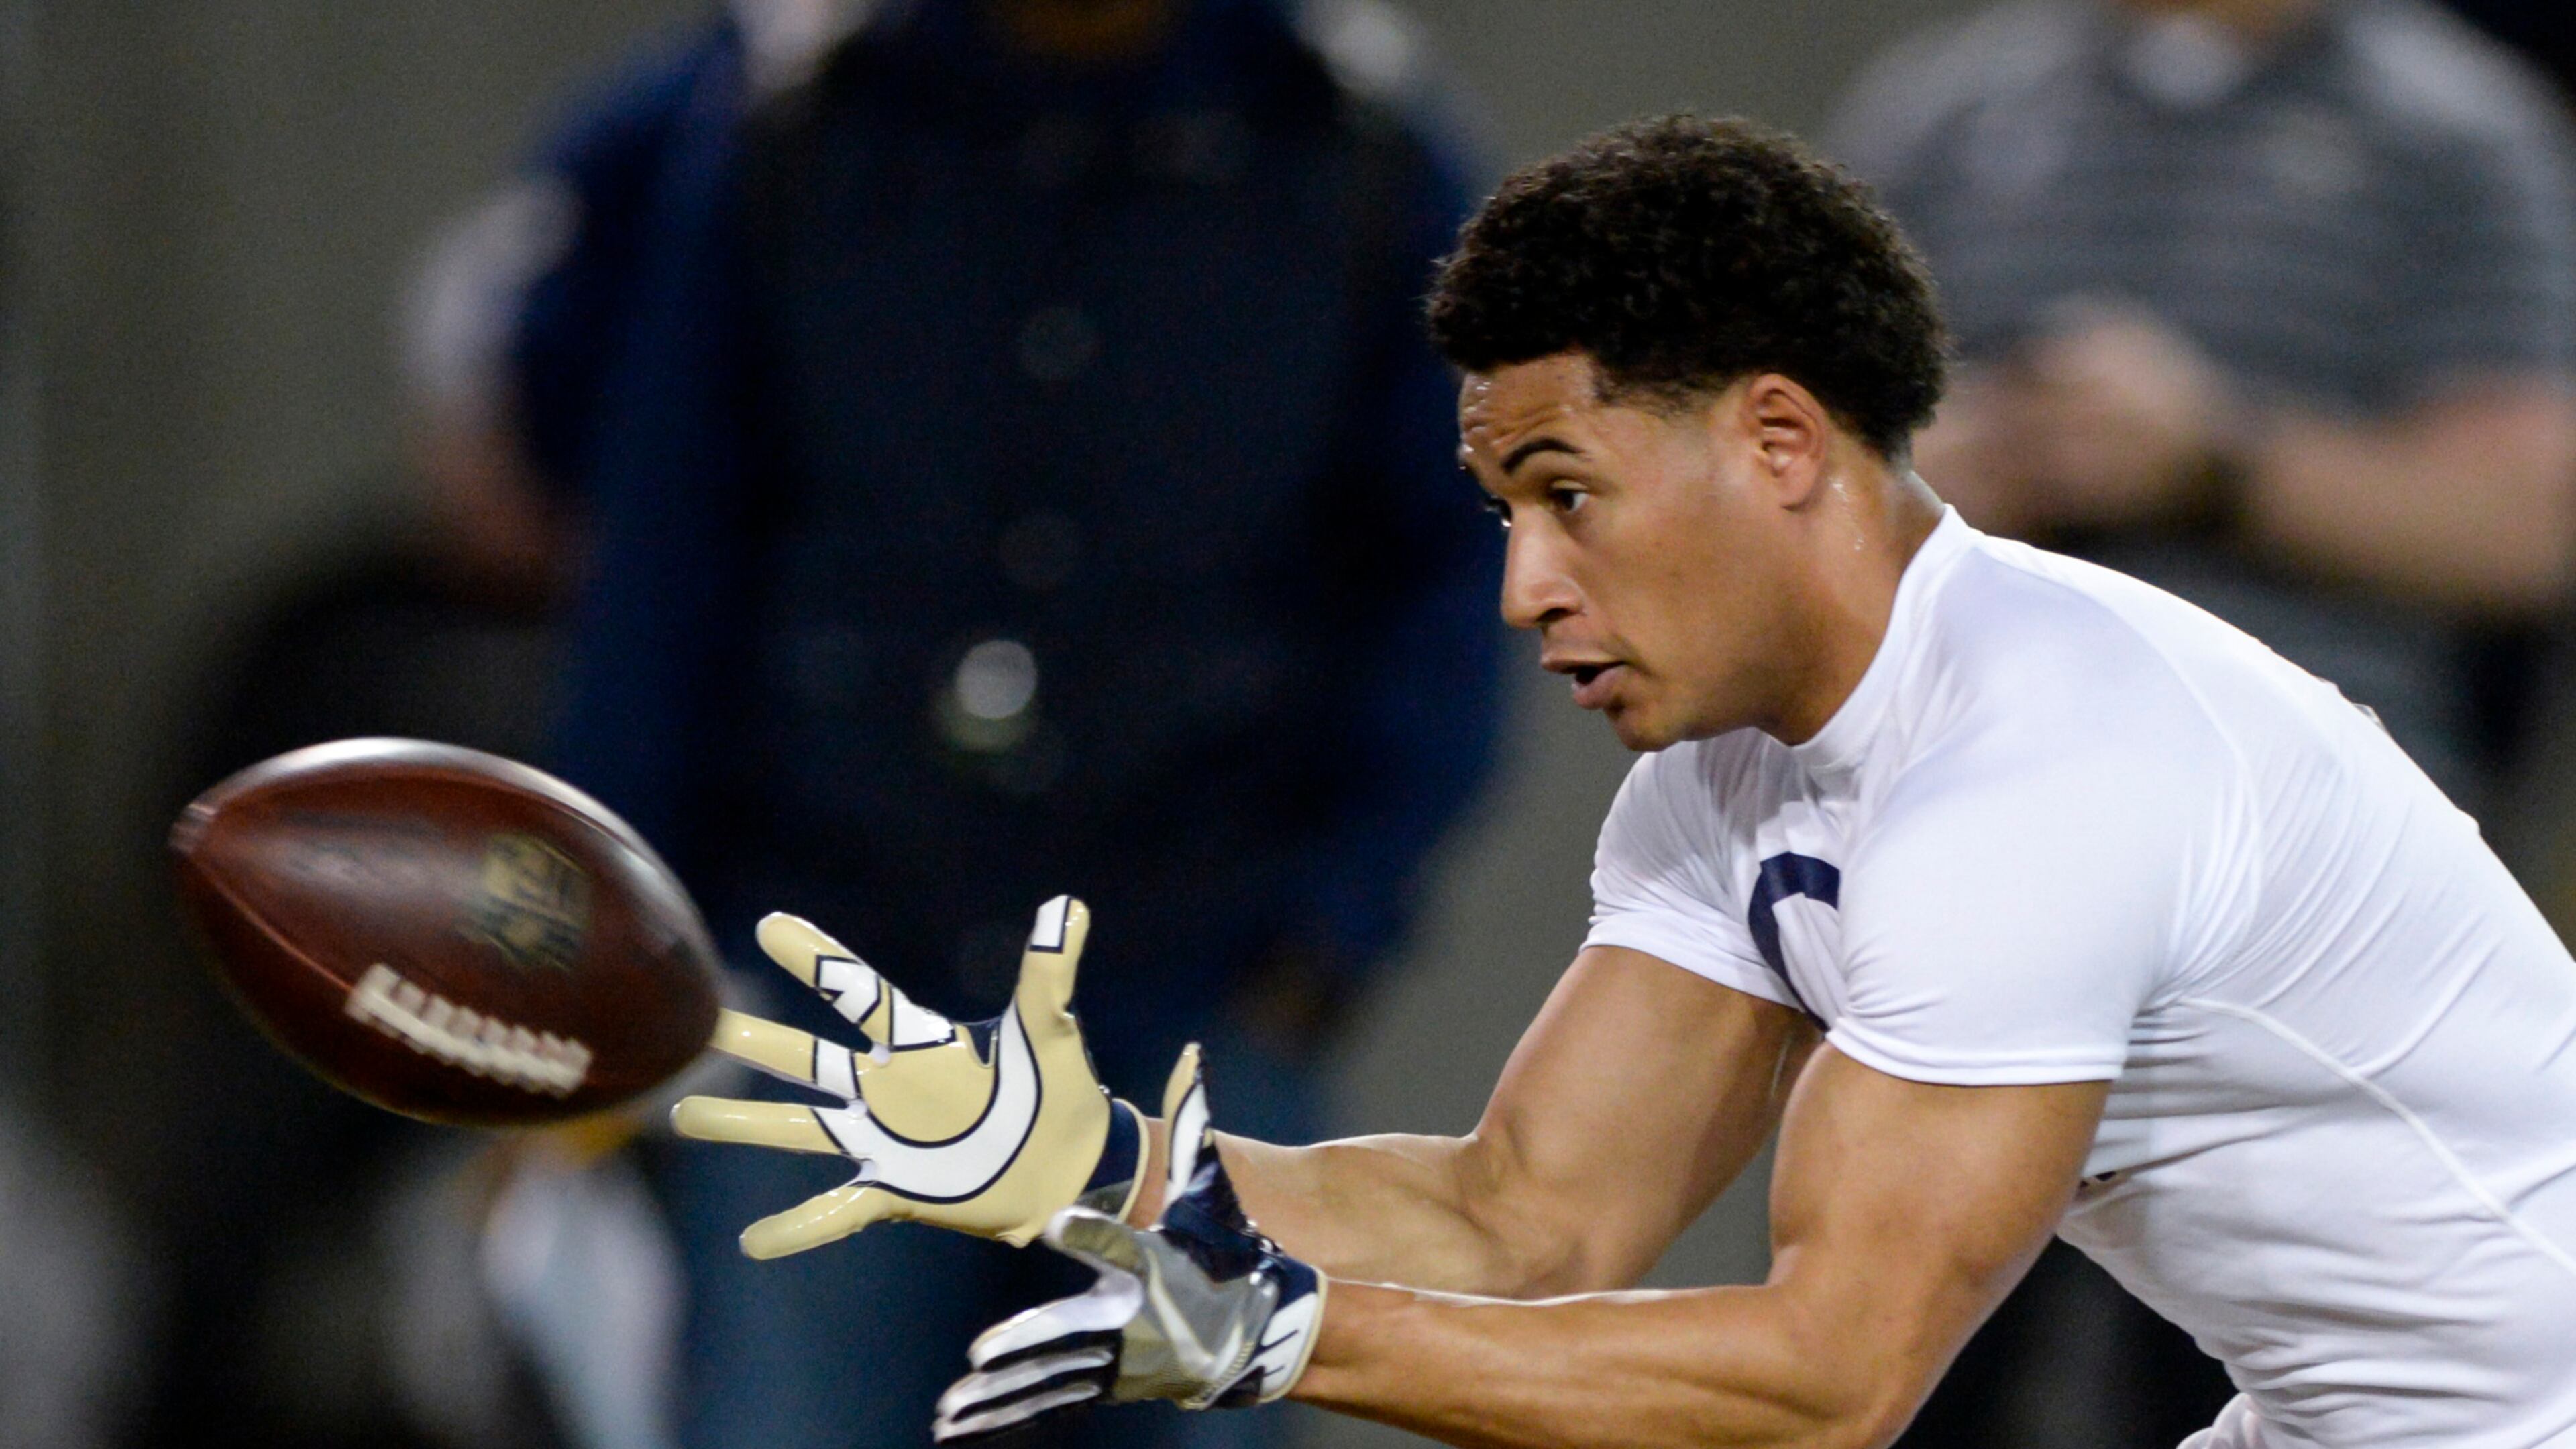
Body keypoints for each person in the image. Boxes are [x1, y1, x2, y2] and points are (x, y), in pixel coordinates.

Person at [680, 117, 2576, 1449]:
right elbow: (1526, 1217)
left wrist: (1292, 1338)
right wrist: (1082, 1171)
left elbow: (1829, 1384)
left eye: (1568, 496)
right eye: (1503, 514)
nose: (1523, 589)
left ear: (1777, 443)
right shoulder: (1731, 768)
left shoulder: (2038, 769)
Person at [419, 1, 1505, 1446]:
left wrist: (1324, 939)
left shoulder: (1353, 144)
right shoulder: (790, 126)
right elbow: (663, 564)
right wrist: (575, 990)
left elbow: (1457, 566)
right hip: (829, 988)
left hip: (1196, 995)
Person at [1821, 0, 2576, 819]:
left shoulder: (2459, 129)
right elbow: (1798, 461)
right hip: (1953, 760)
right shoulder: (1941, 114)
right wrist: (1949, 472)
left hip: (2316, 788)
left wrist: (2218, 460)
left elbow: (2527, 529)